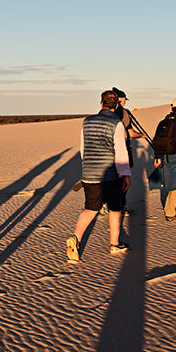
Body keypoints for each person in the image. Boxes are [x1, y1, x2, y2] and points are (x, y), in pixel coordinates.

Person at [67, 90, 132, 261]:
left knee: (90, 208)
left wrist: (88, 166)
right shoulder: (117, 123)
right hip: (110, 175)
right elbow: (120, 151)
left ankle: (75, 238)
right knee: (115, 208)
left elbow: (83, 149)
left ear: (101, 103)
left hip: (89, 174)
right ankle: (114, 244)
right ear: (116, 104)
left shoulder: (87, 122)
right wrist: (125, 174)